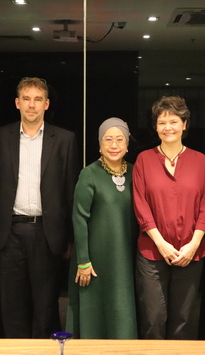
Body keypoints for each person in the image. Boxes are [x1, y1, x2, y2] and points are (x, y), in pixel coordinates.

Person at [0, 77, 79, 338]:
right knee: (11, 306)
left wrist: (70, 238)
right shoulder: (0, 137)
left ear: (46, 104)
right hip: (10, 233)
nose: (32, 104)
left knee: (45, 306)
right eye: (26, 99)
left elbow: (70, 192)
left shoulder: (64, 139)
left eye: (38, 99)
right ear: (17, 103)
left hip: (47, 234)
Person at [133, 95, 205, 340]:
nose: (168, 127)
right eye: (162, 122)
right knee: (153, 318)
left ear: (185, 124)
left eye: (174, 121)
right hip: (152, 252)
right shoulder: (144, 160)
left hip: (191, 252)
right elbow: (141, 206)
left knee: (184, 319)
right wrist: (161, 243)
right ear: (155, 127)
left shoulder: (200, 161)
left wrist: (193, 244)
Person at [66, 117, 138, 339]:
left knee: (122, 306)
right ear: (99, 144)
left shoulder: (136, 172)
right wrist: (83, 261)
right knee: (94, 314)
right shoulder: (89, 174)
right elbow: (79, 218)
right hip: (93, 261)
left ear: (127, 144)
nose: (114, 145)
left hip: (125, 258)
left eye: (119, 139)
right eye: (108, 139)